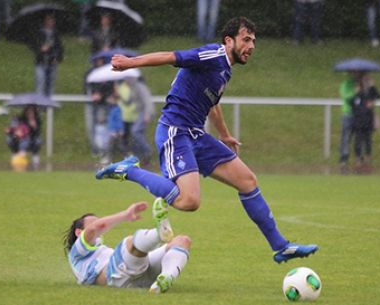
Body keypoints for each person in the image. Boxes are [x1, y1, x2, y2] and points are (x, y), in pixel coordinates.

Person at [96, 17, 318, 263]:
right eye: (246, 39)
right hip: (175, 131)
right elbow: (172, 56)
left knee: (247, 181)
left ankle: (281, 247)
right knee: (189, 201)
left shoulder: (224, 69)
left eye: (253, 41)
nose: (251, 46)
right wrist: (130, 63)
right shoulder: (212, 54)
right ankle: (130, 171)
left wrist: (224, 135)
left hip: (197, 135)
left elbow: (212, 104)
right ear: (228, 40)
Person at [63, 198, 191, 293]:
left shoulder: (100, 250)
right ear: (79, 232)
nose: (97, 224)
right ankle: (158, 234)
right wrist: (125, 215)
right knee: (129, 243)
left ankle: (165, 278)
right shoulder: (76, 253)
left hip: (137, 277)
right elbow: (93, 229)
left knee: (182, 241)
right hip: (115, 277)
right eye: (92, 223)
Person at [349, 74, 380, 174]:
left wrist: (372, 86)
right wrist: (355, 94)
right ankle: (358, 159)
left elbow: (378, 96)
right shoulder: (356, 96)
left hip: (368, 121)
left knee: (368, 141)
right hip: (358, 122)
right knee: (358, 141)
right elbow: (352, 104)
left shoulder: (370, 93)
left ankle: (368, 158)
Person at [29, 14, 64, 97]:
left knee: (50, 85)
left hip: (52, 62)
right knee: (40, 83)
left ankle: (49, 105)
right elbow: (33, 46)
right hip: (41, 62)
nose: (51, 22)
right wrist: (41, 49)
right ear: (45, 21)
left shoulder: (56, 33)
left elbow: (60, 47)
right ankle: (39, 103)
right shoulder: (39, 33)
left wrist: (58, 58)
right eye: (49, 20)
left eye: (52, 20)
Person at [5, 105, 42, 170]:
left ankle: (34, 158)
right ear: (25, 112)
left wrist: (34, 127)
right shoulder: (20, 119)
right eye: (28, 111)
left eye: (31, 112)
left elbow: (37, 133)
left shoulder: (37, 120)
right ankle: (16, 155)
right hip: (19, 138)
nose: (30, 114)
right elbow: (13, 129)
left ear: (34, 113)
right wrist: (11, 131)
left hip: (31, 139)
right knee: (9, 139)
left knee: (38, 140)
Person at [339, 71, 361, 174]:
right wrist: (355, 92)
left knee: (358, 137)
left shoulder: (362, 84)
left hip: (359, 115)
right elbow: (346, 98)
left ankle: (358, 158)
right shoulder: (346, 84)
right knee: (346, 137)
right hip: (348, 113)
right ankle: (344, 159)